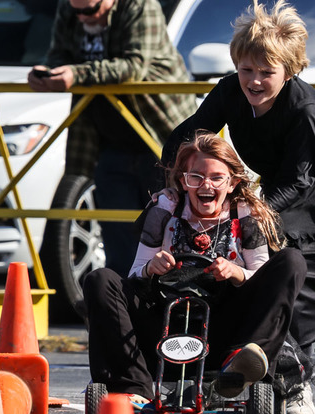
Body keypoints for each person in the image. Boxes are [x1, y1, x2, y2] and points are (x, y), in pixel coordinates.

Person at [161, 1, 315, 414]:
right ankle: (292, 381)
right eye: (246, 70)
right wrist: (171, 178)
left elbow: (303, 181)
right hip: (281, 189)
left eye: (266, 72)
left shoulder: (304, 111)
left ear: (289, 71)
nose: (254, 81)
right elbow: (193, 133)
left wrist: (247, 212)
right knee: (279, 278)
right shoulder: (230, 91)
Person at [83, 131, 306, 406]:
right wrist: (152, 268)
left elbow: (262, 276)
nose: (206, 185)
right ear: (183, 181)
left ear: (232, 182)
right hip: (166, 318)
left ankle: (244, 360)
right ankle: (134, 387)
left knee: (291, 261)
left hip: (223, 324)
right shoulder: (165, 209)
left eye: (216, 178)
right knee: (100, 279)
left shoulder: (245, 214)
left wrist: (235, 272)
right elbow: (134, 274)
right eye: (196, 177)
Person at [28, 0, 196, 276]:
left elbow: (133, 67)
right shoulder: (70, 8)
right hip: (108, 140)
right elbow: (59, 55)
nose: (81, 17)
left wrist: (76, 73)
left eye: (89, 11)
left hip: (158, 135)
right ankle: (121, 303)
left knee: (168, 229)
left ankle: (169, 301)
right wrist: (48, 73)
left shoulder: (140, 6)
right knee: (117, 235)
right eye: (76, 10)